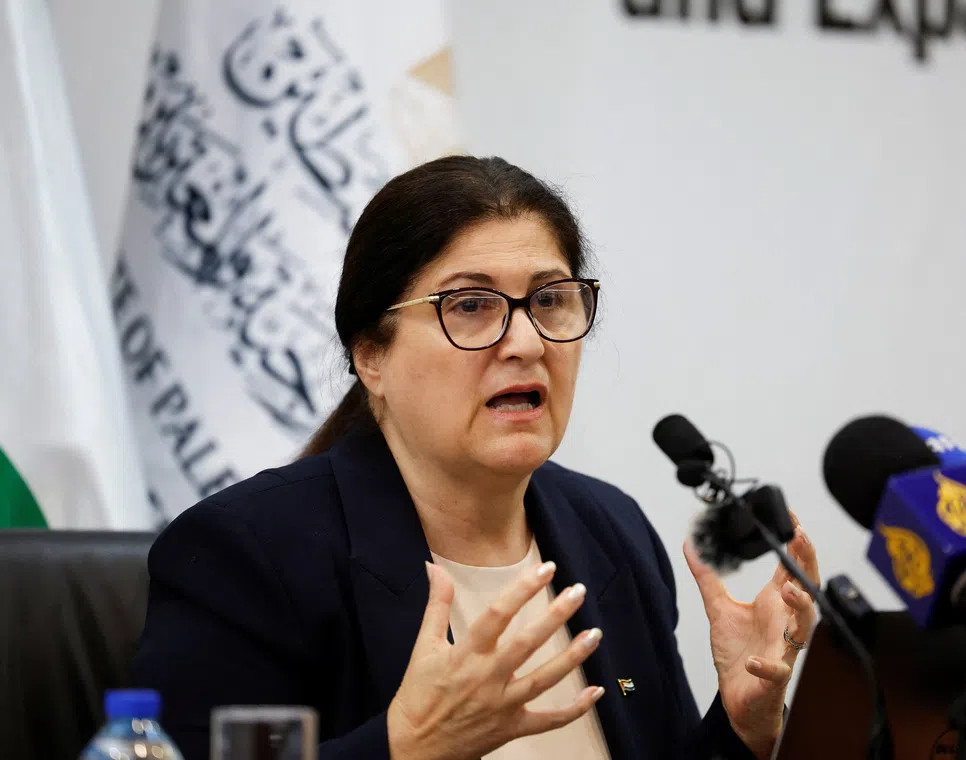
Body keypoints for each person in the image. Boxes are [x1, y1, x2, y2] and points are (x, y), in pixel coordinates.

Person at [130, 156, 820, 760]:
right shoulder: (252, 554)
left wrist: (745, 728)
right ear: (371, 355)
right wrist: (407, 747)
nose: (525, 341)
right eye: (471, 306)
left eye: (550, 300)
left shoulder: (610, 530)